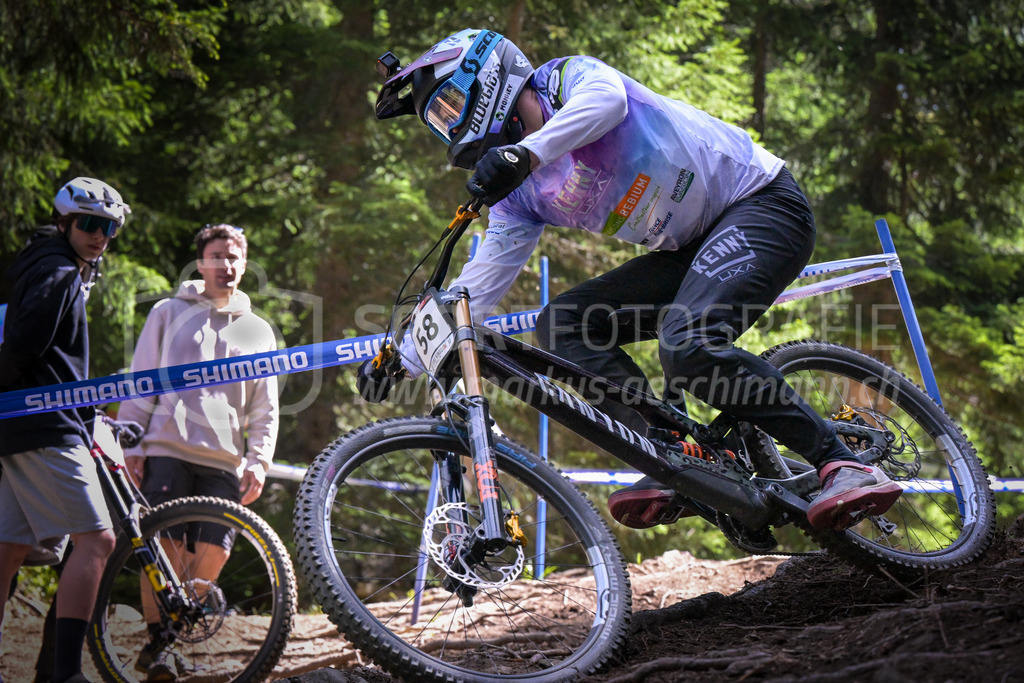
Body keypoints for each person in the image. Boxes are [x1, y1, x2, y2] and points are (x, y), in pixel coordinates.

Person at [369, 28, 902, 533]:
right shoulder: (517, 193)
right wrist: (406, 358)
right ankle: (676, 453)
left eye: (446, 106)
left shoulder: (566, 80)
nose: (446, 125)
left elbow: (609, 104)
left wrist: (524, 152)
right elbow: (479, 283)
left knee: (687, 345)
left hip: (760, 204)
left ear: (484, 78)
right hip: (689, 248)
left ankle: (841, 461)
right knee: (565, 326)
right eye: (437, 121)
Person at [116, 223, 279, 681]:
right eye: (216, 255)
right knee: (162, 549)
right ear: (200, 261)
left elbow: (266, 405)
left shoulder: (258, 331)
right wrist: (130, 441)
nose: (225, 265)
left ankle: (173, 634)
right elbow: (141, 377)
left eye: (233, 257)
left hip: (225, 460)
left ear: (244, 264)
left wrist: (259, 459)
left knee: (214, 552)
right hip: (166, 448)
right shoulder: (169, 312)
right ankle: (161, 647)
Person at [0, 177, 130, 683]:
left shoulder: (50, 264)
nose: (99, 235)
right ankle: (66, 673)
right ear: (65, 223)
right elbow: (25, 344)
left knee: (7, 551)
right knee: (97, 542)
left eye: (109, 228)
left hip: (24, 425)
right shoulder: (58, 271)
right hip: (45, 427)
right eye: (90, 225)